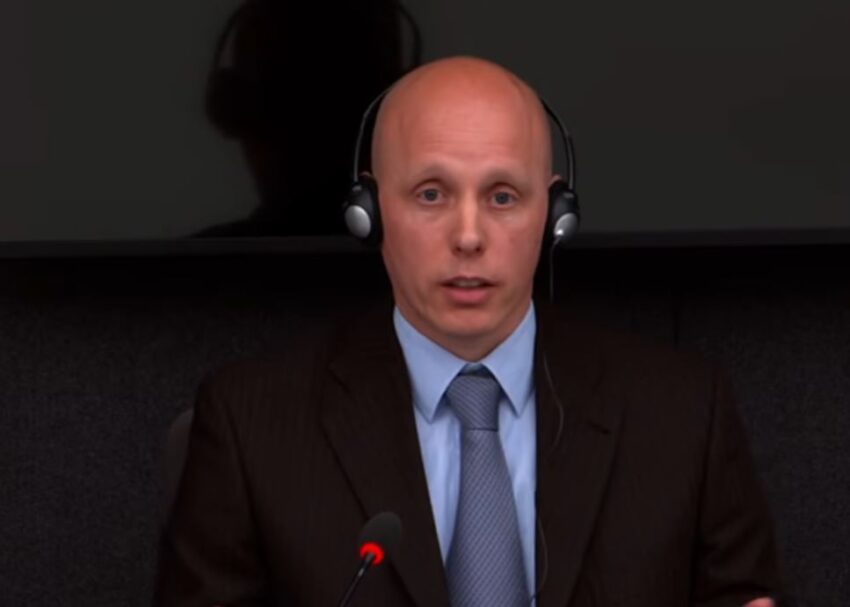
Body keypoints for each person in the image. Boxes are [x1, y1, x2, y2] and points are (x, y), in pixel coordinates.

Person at [155, 56, 784, 606]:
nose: (468, 236)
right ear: (370, 213)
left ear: (553, 213)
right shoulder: (251, 423)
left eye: (502, 197)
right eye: (431, 195)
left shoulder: (682, 413)